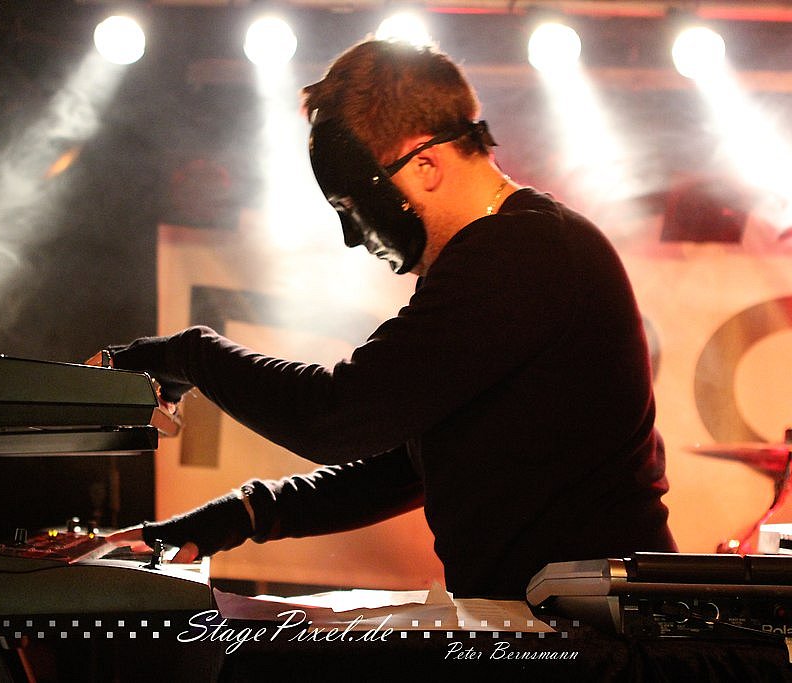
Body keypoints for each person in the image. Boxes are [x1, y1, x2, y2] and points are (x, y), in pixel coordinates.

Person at [105, 38, 676, 598]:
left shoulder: (525, 252)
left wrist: (188, 354)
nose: (354, 237)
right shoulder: (508, 253)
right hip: (570, 618)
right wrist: (231, 518)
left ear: (425, 163)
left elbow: (336, 416)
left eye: (353, 206)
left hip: (603, 632)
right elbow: (403, 466)